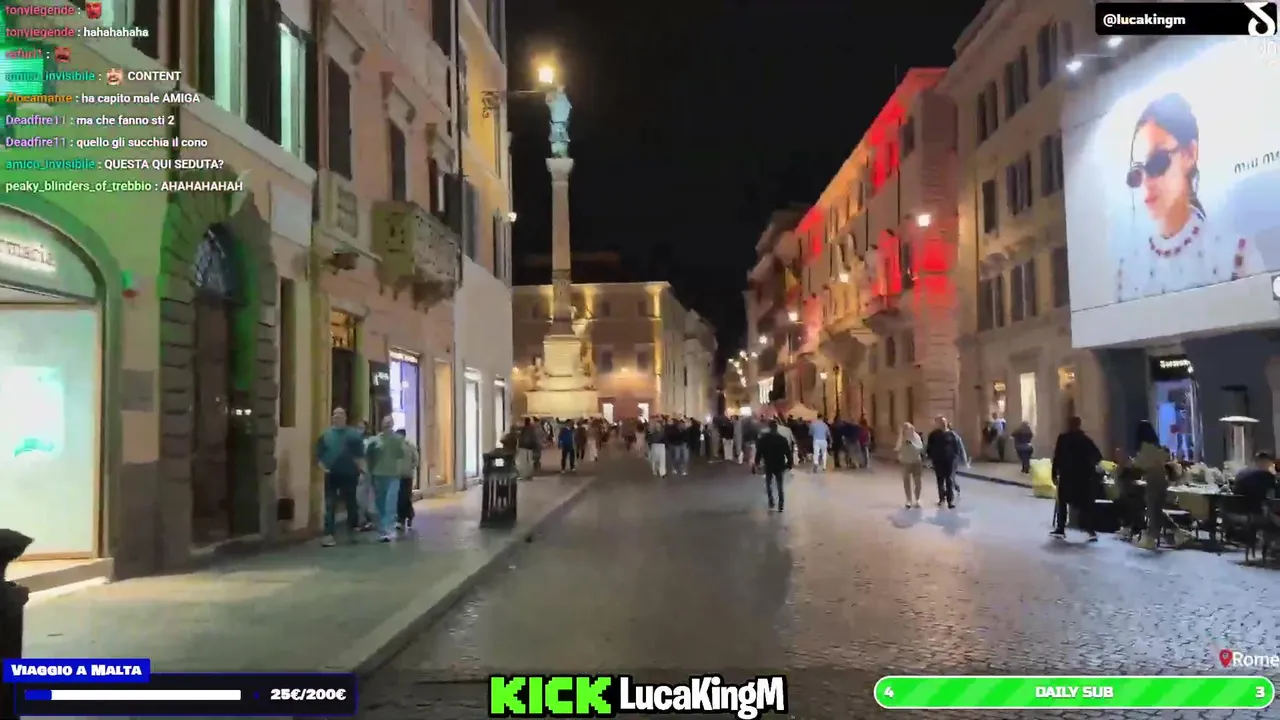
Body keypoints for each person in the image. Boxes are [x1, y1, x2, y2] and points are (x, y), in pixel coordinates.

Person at [1116, 93, 1261, 303]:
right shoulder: (1129, 270)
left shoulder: (1234, 253)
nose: (1147, 181)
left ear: (1190, 154)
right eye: (1137, 172)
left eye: (1157, 162)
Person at [316, 407, 366, 547]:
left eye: (340, 415)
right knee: (330, 504)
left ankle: (352, 529)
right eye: (335, 415)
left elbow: (359, 455)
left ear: (345, 417)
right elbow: (319, 454)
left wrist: (362, 470)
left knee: (351, 503)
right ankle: (328, 534)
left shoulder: (353, 435)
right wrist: (324, 468)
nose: (337, 417)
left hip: (350, 473)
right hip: (332, 474)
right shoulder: (326, 435)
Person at [1049, 415, 1103, 541]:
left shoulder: (1064, 439)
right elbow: (1097, 456)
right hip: (1081, 477)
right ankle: (1090, 530)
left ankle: (1061, 528)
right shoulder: (1085, 440)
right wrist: (1089, 466)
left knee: (1063, 502)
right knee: (1084, 505)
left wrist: (1054, 472)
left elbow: (1057, 457)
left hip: (1068, 475)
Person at [365, 415, 409, 542]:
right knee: (380, 503)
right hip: (378, 474)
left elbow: (402, 455)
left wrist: (402, 471)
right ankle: (382, 529)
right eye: (385, 422)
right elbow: (368, 455)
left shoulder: (398, 440)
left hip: (393, 475)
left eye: (390, 422)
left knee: (390, 501)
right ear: (382, 424)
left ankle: (389, 529)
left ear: (393, 424)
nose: (388, 424)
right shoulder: (375, 440)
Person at [1134, 420, 1176, 550]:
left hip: (1152, 481)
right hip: (1162, 480)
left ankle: (1152, 538)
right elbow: (1165, 458)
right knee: (1156, 510)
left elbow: (1140, 465)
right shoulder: (1157, 447)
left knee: (1153, 510)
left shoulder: (1144, 448)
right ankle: (1174, 531)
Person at [757, 419, 793, 511]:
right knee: (780, 484)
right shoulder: (782, 439)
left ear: (769, 427)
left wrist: (757, 462)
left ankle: (771, 501)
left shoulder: (763, 439)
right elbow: (788, 452)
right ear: (776, 428)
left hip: (768, 463)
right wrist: (790, 463)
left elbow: (759, 451)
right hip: (779, 464)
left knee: (768, 483)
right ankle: (781, 504)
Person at [926, 416, 960, 508]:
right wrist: (930, 458)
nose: (942, 424)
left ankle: (950, 501)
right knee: (940, 480)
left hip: (949, 460)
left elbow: (956, 446)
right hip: (938, 460)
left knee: (949, 480)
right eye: (940, 422)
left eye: (944, 422)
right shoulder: (933, 435)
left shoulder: (951, 434)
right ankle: (941, 498)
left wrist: (955, 456)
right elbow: (929, 447)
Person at [394, 428, 420, 532]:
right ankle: (403, 517)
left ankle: (406, 517)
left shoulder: (410, 446)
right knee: (399, 498)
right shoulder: (393, 447)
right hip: (396, 476)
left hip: (407, 475)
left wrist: (410, 467)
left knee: (405, 497)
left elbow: (416, 459)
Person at [896, 421, 925, 508]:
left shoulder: (916, 437)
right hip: (906, 462)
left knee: (917, 481)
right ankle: (908, 500)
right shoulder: (902, 438)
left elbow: (920, 448)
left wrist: (910, 444)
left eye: (909, 430)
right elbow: (898, 448)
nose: (907, 432)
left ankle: (917, 499)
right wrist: (902, 444)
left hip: (916, 461)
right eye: (905, 430)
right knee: (906, 481)